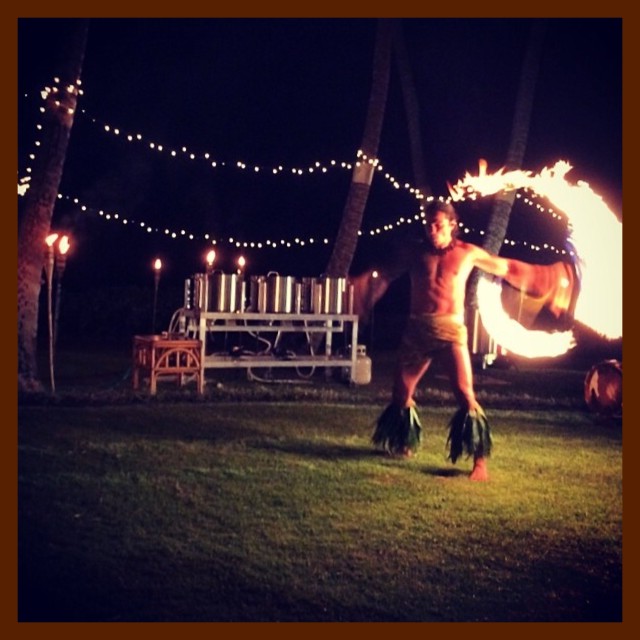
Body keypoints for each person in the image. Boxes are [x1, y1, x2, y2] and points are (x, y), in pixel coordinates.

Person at [352, 200, 578, 481]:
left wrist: (544, 277)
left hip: (451, 332)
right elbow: (384, 275)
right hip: (417, 331)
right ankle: (404, 442)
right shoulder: (415, 253)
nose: (432, 229)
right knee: (401, 395)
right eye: (428, 224)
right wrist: (365, 286)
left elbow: (506, 267)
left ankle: (480, 462)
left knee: (465, 394)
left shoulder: (467, 254)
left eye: (437, 224)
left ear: (451, 224)